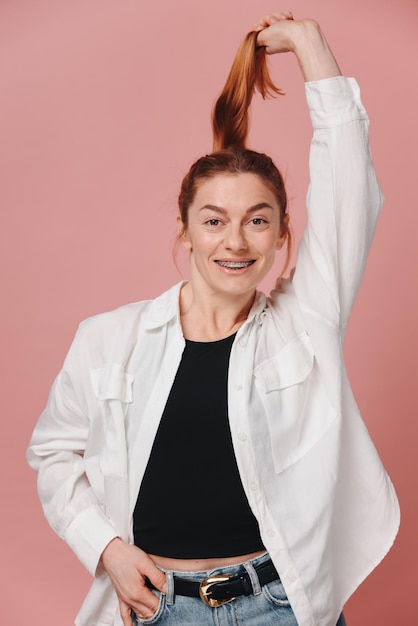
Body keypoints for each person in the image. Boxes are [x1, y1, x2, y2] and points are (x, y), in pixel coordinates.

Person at [27, 10, 400, 626]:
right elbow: (54, 453)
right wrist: (105, 547)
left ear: (284, 234)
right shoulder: (108, 340)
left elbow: (348, 189)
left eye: (258, 219)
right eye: (214, 220)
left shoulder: (304, 323)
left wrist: (311, 47)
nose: (236, 241)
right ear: (186, 231)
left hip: (280, 605)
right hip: (152, 606)